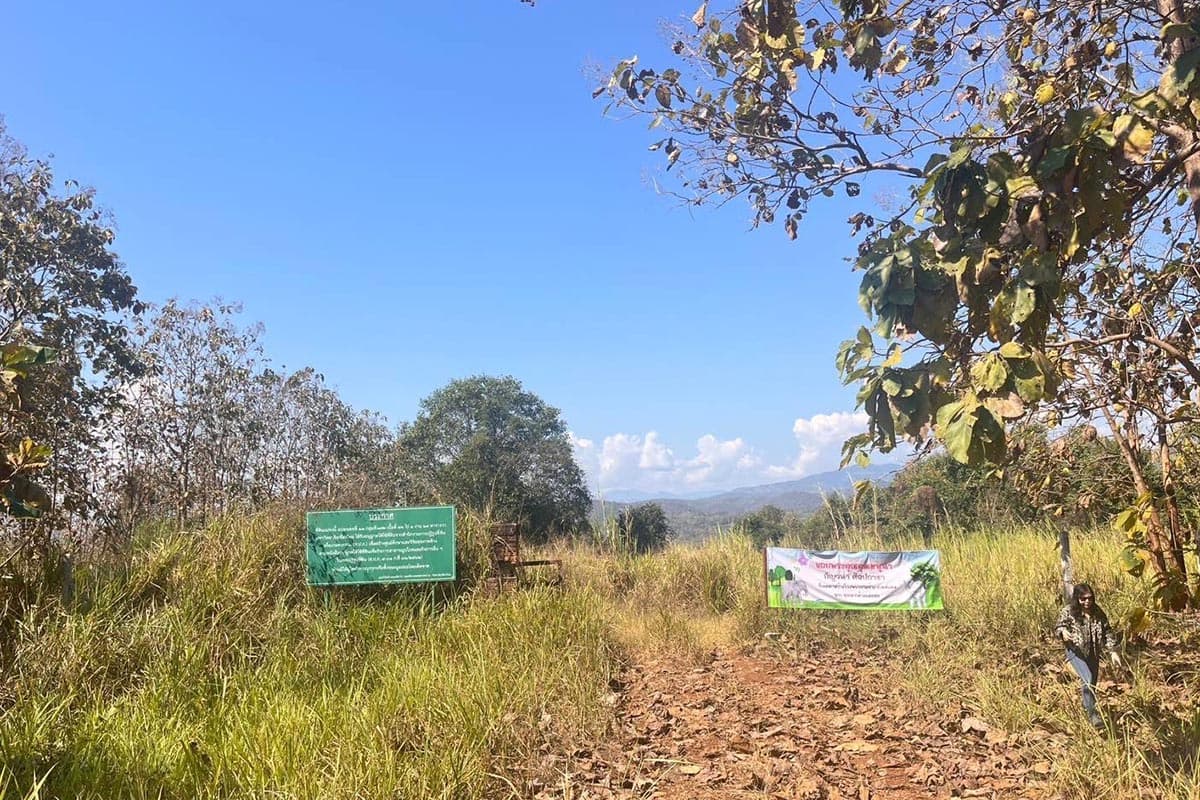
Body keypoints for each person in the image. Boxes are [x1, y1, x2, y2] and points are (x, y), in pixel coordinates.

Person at [1054, 583, 1122, 728]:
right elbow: (1059, 626)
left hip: (1093, 652)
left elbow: (1107, 631)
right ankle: (1092, 715)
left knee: (1092, 684)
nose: (1087, 602)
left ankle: (1087, 706)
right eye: (1083, 599)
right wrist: (1063, 632)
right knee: (1087, 679)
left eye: (1090, 598)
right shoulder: (1069, 611)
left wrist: (1113, 651)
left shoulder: (1097, 612)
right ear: (1077, 599)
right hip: (1075, 651)